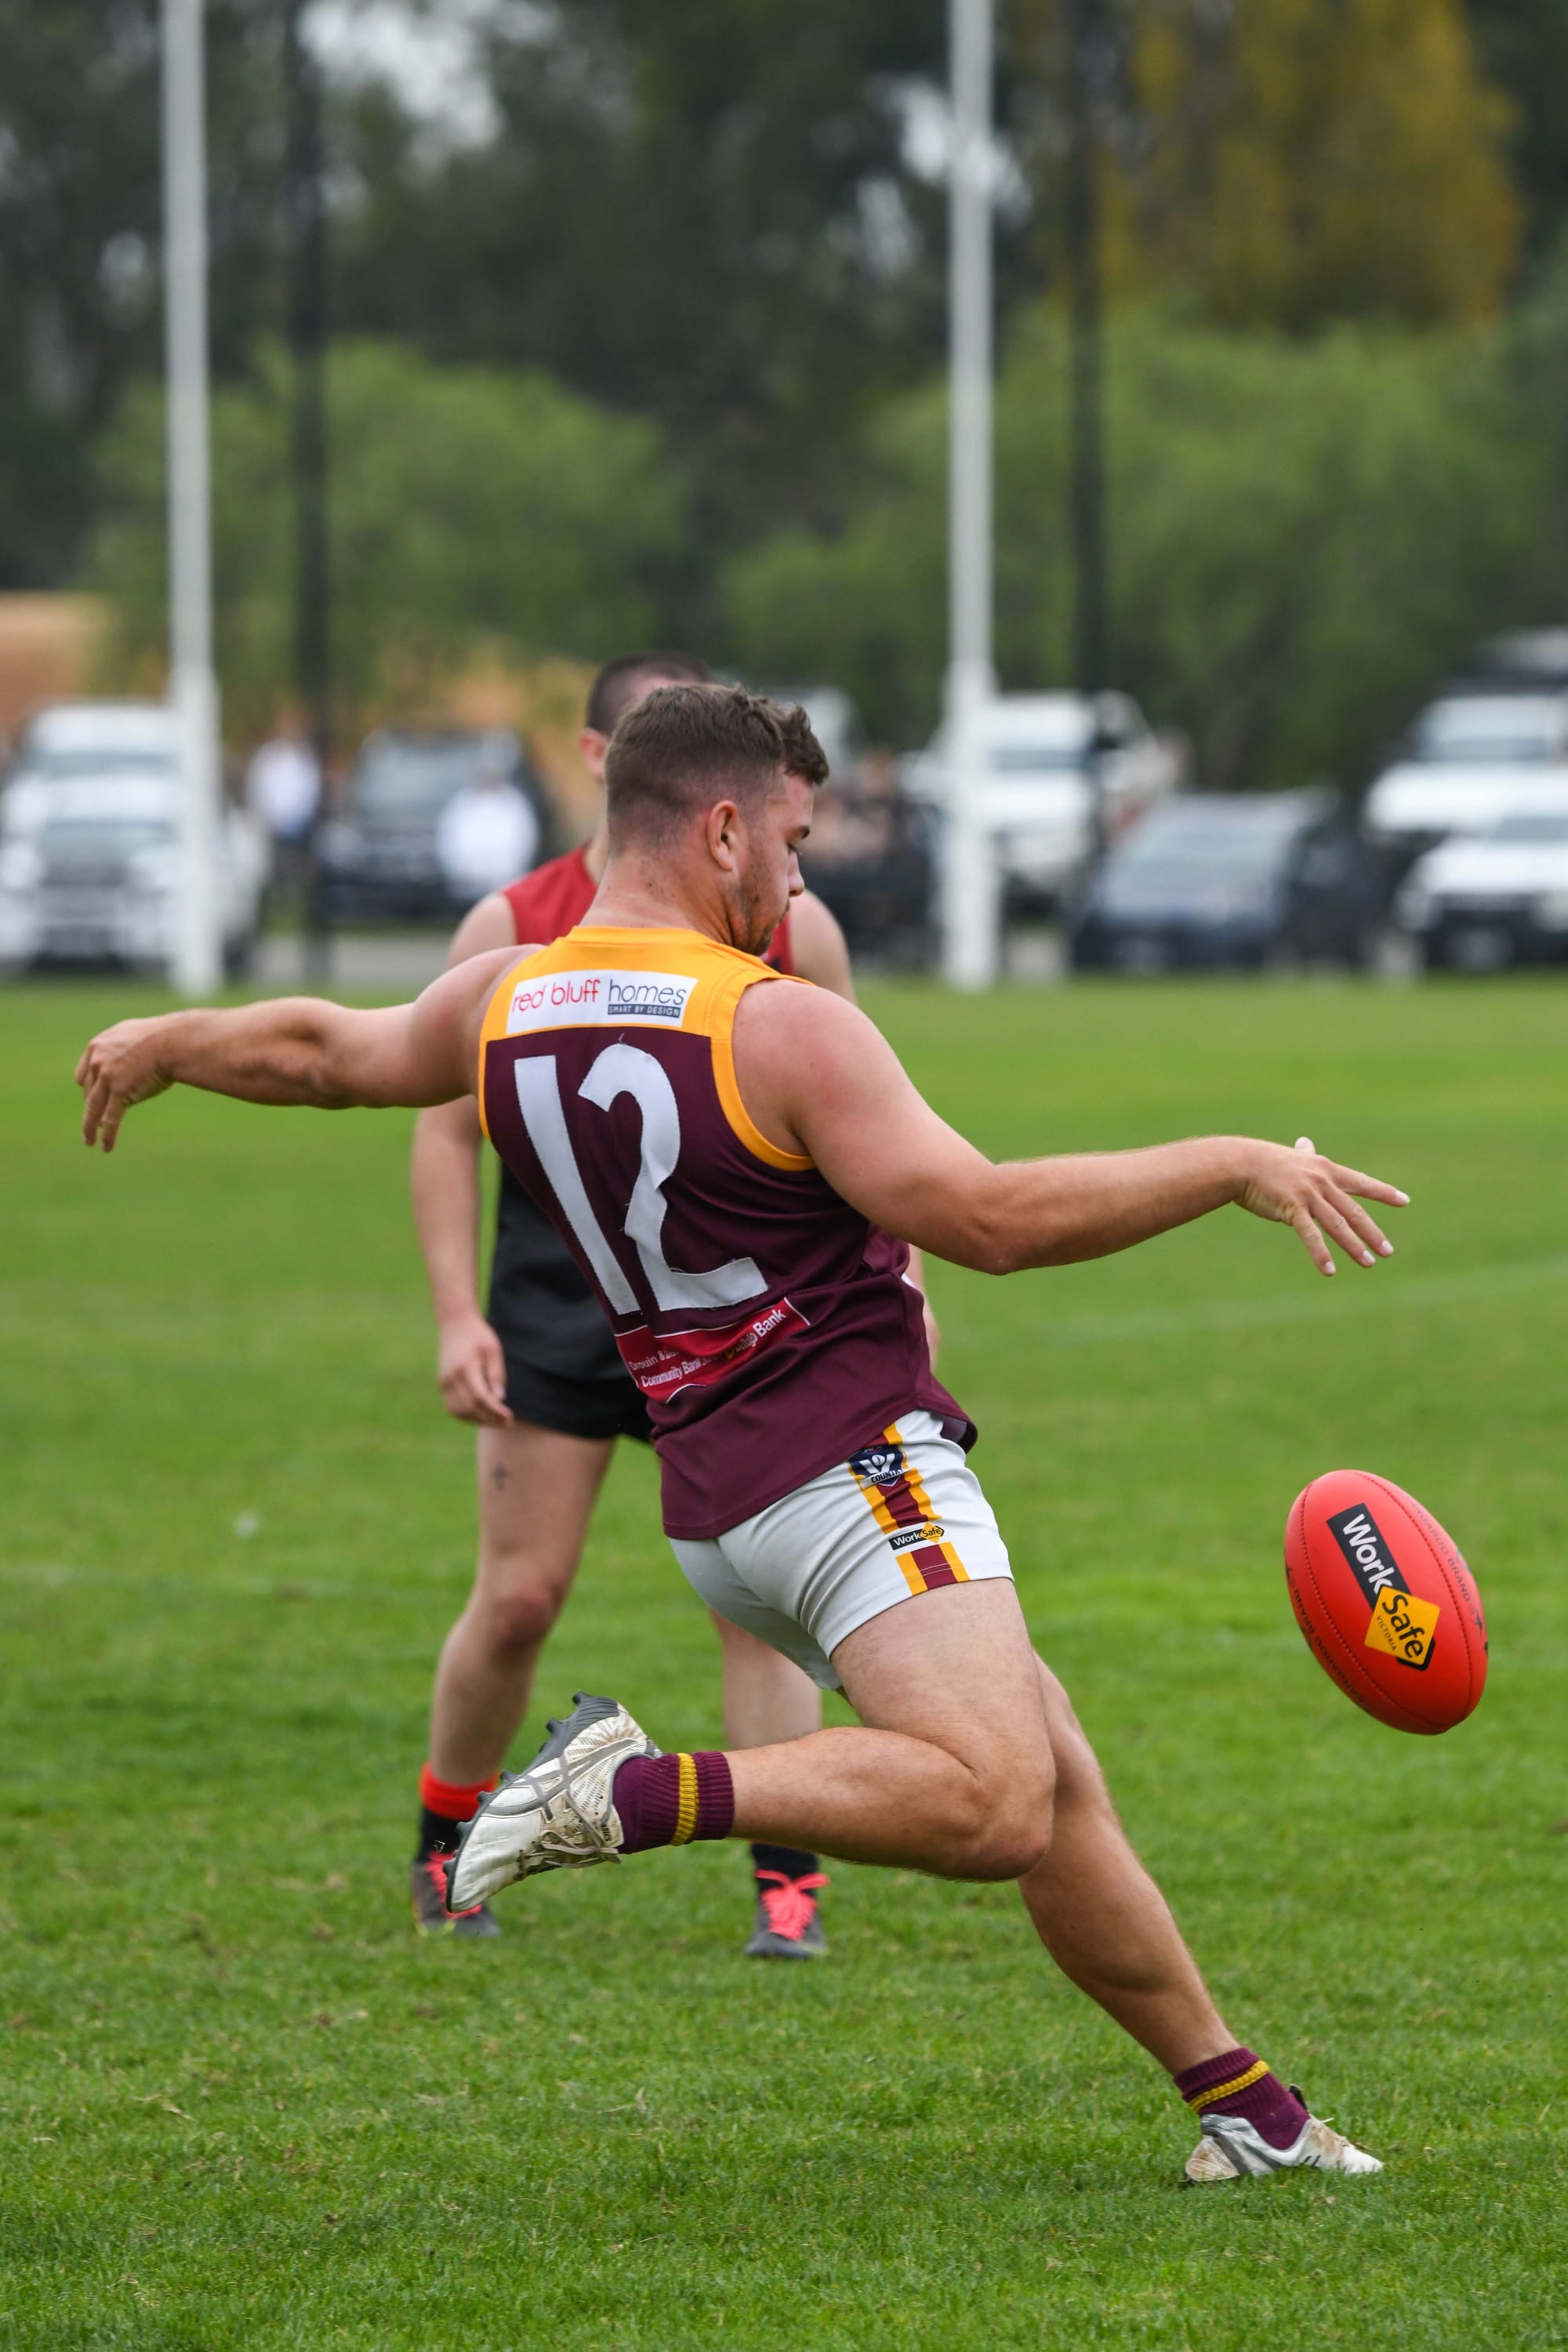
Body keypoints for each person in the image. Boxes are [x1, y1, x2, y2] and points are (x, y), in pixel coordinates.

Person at [75, 684, 1406, 2183]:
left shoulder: (510, 991)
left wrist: (173, 1039)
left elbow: (327, 1053)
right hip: (851, 1466)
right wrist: (1229, 1162)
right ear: (718, 828)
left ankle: (1249, 2112)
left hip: (719, 1510)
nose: (798, 876)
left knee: (1053, 1768)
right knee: (994, 1798)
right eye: (790, 839)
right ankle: (637, 1791)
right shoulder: (779, 1025)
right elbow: (988, 1219)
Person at [408, 649, 889, 1954]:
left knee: (765, 1607)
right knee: (517, 1597)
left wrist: (903, 1283)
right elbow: (442, 1130)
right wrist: (460, 1313)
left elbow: (875, 1142)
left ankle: (787, 1886)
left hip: (744, 1317)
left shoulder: (792, 926)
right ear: (607, 765)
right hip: (562, 1308)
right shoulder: (514, 928)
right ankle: (449, 1842)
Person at [434, 750, 539, 909]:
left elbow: (524, 839)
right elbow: (449, 837)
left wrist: (505, 869)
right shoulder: (463, 803)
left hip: (506, 879)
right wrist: (462, 869)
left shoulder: (514, 803)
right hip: (467, 882)